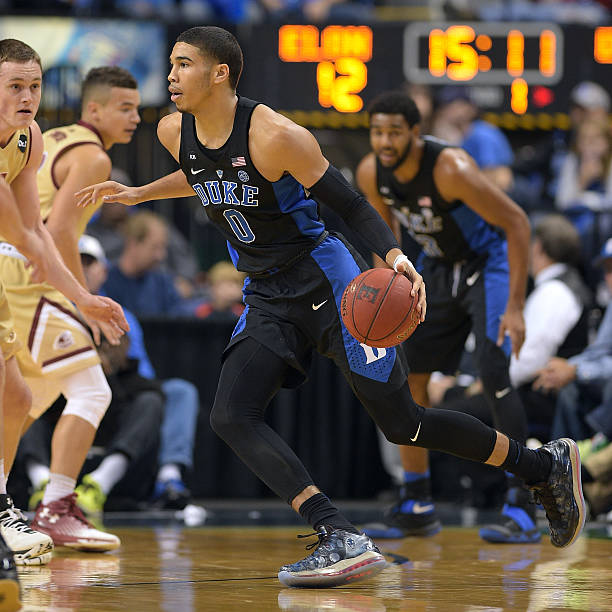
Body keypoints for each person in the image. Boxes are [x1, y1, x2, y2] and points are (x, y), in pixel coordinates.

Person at [77, 26, 585, 588]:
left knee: (403, 425)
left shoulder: (275, 134)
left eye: (183, 64)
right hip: (267, 292)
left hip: (329, 281)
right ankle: (335, 532)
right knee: (230, 414)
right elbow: (204, 177)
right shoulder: (175, 131)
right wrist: (140, 193)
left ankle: (543, 466)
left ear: (219, 73)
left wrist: (393, 255)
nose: (170, 75)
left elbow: (348, 201)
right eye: (171, 64)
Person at [355, 90, 537, 545]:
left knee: (494, 372)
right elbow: (385, 235)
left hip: (487, 263)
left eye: (394, 131)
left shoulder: (450, 168)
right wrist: (387, 290)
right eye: (377, 131)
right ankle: (416, 501)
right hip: (436, 268)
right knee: (407, 375)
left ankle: (524, 501)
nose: (384, 141)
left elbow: (516, 223)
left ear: (416, 133)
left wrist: (514, 305)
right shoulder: (370, 171)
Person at [0, 39, 128, 569]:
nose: (28, 96)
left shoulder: (29, 137)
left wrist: (84, 298)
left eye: (35, 86)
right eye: (15, 86)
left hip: (11, 268)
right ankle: (50, 502)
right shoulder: (92, 154)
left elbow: (35, 229)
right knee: (72, 389)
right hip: (16, 269)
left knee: (15, 397)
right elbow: (29, 232)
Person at [78, 234, 198, 510]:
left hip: (117, 396)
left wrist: (116, 362)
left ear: (103, 271)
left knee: (174, 393)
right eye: (75, 263)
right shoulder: (54, 309)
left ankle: (169, 478)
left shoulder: (122, 315)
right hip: (67, 395)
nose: (82, 270)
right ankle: (41, 480)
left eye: (88, 263)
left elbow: (143, 377)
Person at [101, 210, 194, 317]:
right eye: (155, 247)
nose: (161, 255)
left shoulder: (163, 284)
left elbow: (180, 321)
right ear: (133, 243)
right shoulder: (106, 281)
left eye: (163, 248)